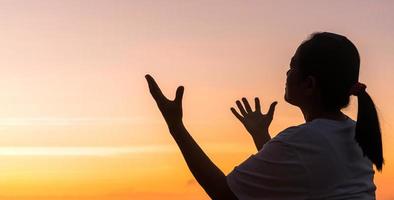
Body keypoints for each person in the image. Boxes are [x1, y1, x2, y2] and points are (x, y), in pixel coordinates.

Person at [145, 32, 384, 200]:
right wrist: (261, 134)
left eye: (293, 66)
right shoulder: (355, 133)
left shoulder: (302, 141)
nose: (287, 72)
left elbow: (224, 193)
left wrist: (176, 126)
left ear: (309, 84)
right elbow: (297, 173)